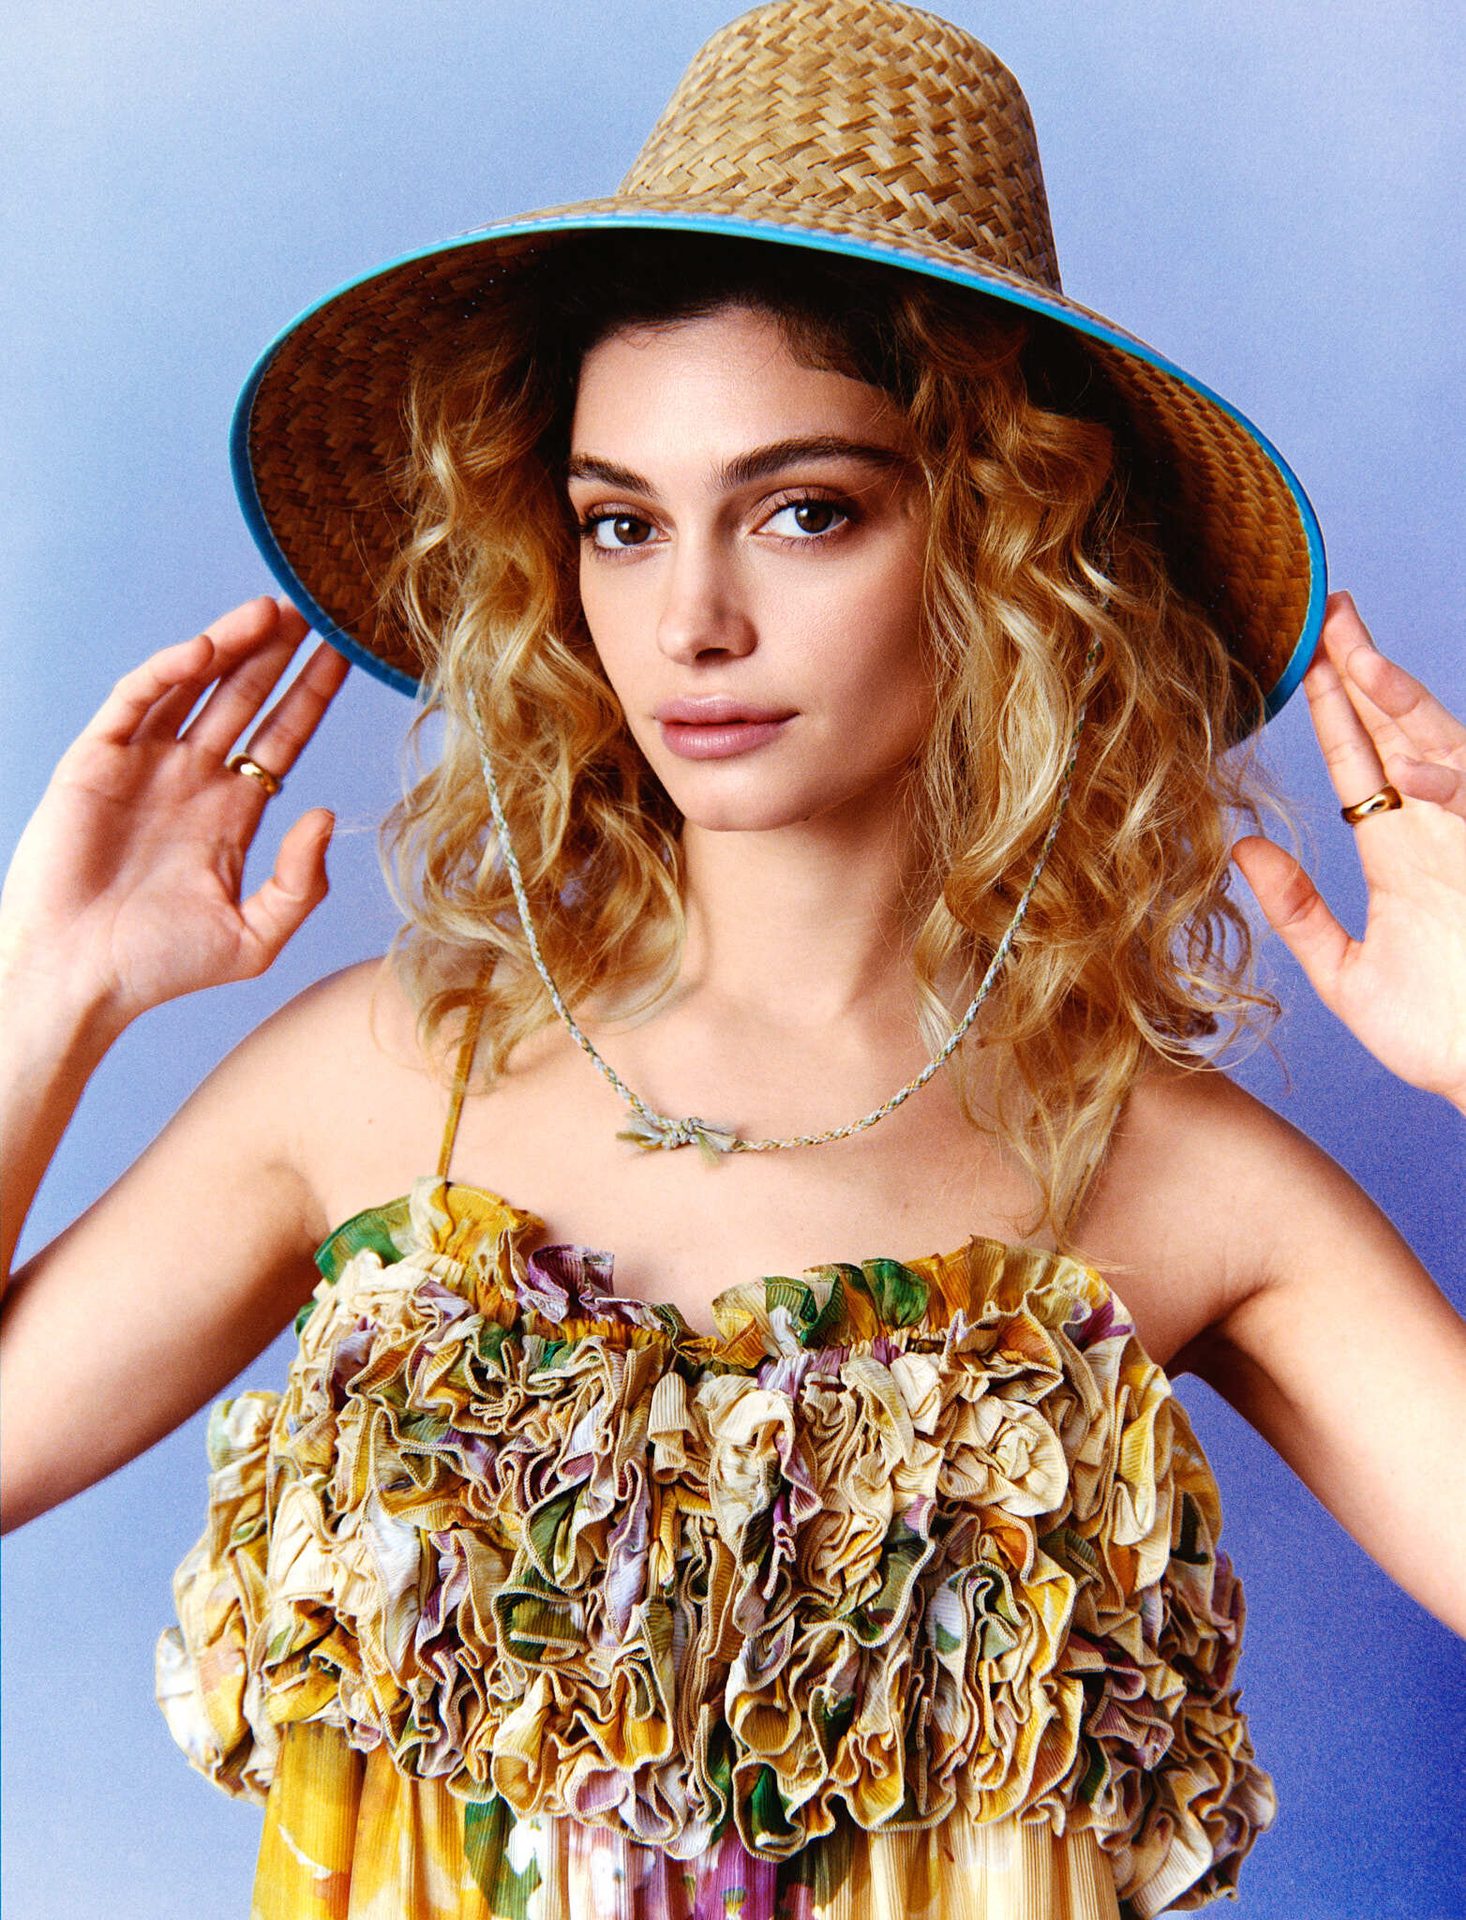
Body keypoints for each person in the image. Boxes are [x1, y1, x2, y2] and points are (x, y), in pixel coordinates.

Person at [2, 3, 1462, 1916]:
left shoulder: (1177, 1179)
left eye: (802, 512)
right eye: (619, 523)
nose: (689, 619)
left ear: (1003, 541)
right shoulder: (383, 1077)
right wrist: (53, 986)